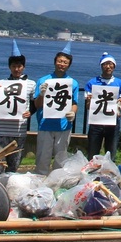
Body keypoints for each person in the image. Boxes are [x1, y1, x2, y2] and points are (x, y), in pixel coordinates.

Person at [33, 46, 78, 175]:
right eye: (60, 61)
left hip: (64, 125)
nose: (62, 64)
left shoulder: (73, 83)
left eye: (65, 62)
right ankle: (40, 181)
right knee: (42, 159)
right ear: (55, 62)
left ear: (69, 65)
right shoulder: (43, 80)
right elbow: (37, 104)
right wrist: (42, 94)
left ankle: (57, 182)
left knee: (61, 160)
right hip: (45, 124)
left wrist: (73, 112)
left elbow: (74, 103)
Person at [0, 43, 34, 172]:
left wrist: (30, 112)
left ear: (23, 67)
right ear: (9, 67)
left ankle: (9, 183)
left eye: (19, 66)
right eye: (14, 66)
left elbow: (34, 104)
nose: (16, 69)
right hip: (1, 130)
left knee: (14, 165)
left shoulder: (31, 84)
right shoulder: (1, 83)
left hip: (19, 130)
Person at [84, 52, 121, 160]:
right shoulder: (91, 83)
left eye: (110, 64)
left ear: (114, 66)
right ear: (101, 66)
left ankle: (109, 170)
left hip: (113, 122)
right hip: (96, 123)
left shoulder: (120, 83)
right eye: (105, 64)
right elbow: (88, 106)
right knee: (92, 154)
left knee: (111, 153)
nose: (108, 66)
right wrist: (89, 101)